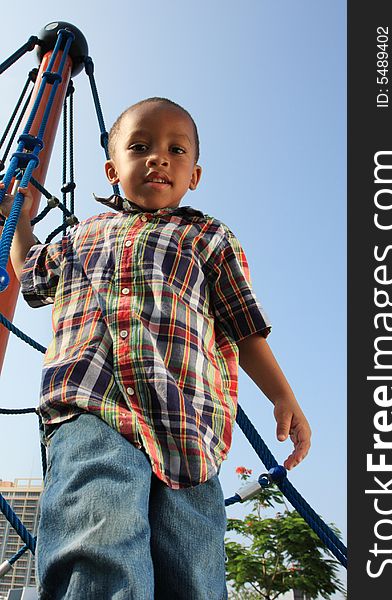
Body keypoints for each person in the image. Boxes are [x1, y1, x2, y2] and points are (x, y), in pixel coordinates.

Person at [0, 97, 311, 600]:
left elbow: (244, 326)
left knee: (192, 567)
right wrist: (19, 220)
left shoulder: (208, 237)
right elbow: (31, 273)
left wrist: (282, 395)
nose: (158, 158)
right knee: (96, 535)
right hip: (91, 405)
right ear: (111, 168)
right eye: (140, 146)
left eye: (176, 150)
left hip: (186, 419)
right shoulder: (81, 235)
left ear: (195, 174)